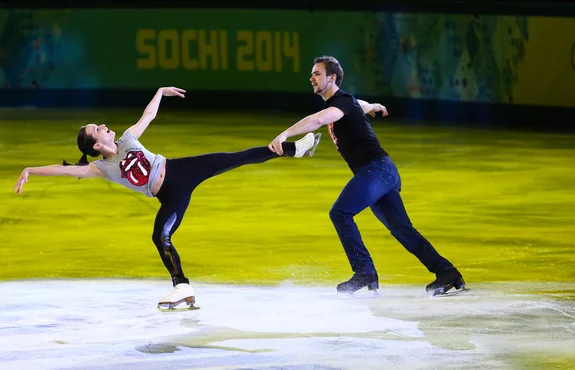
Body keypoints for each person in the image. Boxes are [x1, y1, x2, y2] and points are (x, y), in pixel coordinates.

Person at [13, 86, 322, 310]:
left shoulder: (128, 139)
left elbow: (147, 116)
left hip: (181, 170)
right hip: (170, 196)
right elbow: (64, 171)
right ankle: (182, 287)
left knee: (236, 157)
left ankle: (297, 149)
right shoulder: (101, 168)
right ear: (95, 144)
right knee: (160, 236)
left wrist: (160, 92)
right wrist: (31, 169)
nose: (104, 125)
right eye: (98, 128)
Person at [268, 56, 466, 296]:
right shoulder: (345, 103)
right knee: (402, 229)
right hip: (381, 172)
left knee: (340, 213)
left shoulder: (340, 103)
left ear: (332, 78)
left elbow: (319, 120)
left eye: (317, 74)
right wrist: (372, 106)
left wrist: (284, 134)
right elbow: (357, 105)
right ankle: (447, 273)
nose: (311, 78)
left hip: (377, 170)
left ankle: (364, 272)